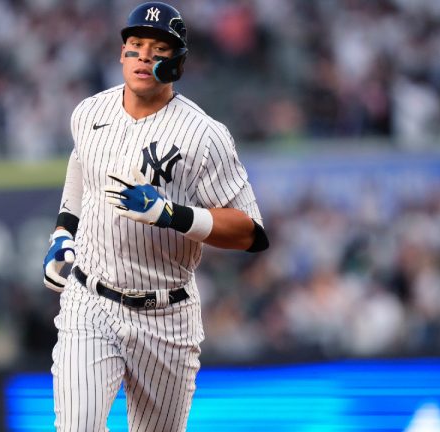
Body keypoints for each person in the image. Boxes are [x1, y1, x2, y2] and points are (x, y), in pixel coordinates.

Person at [41, 2, 269, 430]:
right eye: (136, 44)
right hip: (90, 300)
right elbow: (80, 165)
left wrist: (173, 214)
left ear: (178, 64)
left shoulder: (204, 135)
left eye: (159, 48)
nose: (144, 56)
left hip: (166, 314)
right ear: (122, 54)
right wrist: (62, 233)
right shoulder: (89, 113)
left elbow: (251, 233)